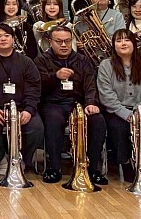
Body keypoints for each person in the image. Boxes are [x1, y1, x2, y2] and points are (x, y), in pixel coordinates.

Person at [34, 24, 107, 185]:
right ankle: (54, 167)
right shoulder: (41, 60)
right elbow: (37, 86)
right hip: (53, 103)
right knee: (53, 120)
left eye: (67, 41)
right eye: (59, 41)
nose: (64, 45)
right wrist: (55, 77)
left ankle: (93, 169)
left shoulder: (82, 60)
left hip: (78, 103)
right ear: (50, 42)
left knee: (98, 120)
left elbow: (90, 84)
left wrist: (91, 103)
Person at [97, 29, 141, 182]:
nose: (123, 43)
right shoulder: (106, 65)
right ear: (113, 45)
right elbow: (107, 95)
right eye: (119, 40)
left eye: (127, 40)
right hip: (116, 111)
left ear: (134, 44)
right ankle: (126, 164)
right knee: (120, 129)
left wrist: (139, 112)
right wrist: (127, 115)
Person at [0, 23, 44, 175]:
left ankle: (23, 159)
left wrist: (29, 110)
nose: (3, 39)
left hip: (22, 108)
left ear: (13, 39)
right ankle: (0, 160)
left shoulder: (27, 62)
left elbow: (34, 89)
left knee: (36, 127)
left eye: (7, 36)